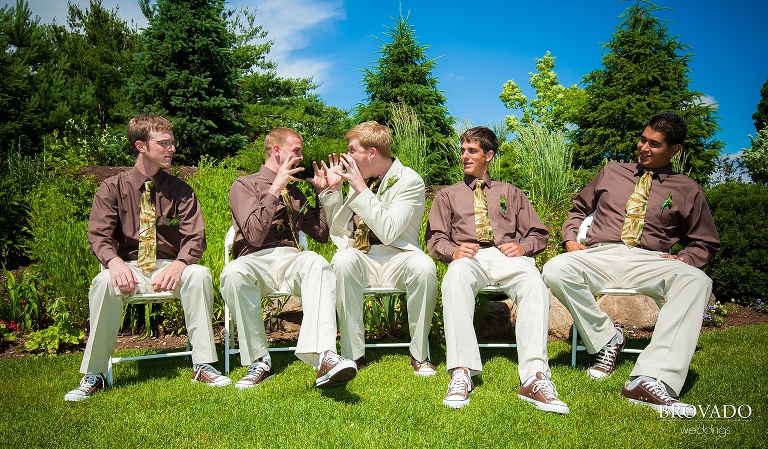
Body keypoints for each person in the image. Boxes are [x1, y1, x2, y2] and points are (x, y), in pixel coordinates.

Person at [542, 112, 720, 418]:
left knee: (697, 281)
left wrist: (684, 259)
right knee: (556, 269)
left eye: (655, 144)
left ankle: (651, 377)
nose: (644, 148)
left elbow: (705, 241)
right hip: (600, 253)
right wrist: (570, 239)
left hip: (649, 259)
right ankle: (607, 337)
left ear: (674, 150)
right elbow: (578, 208)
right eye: (642, 139)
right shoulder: (612, 172)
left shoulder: (687, 189)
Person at [65, 113, 228, 401]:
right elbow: (99, 236)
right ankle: (95, 373)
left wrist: (180, 264)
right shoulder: (112, 187)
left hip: (169, 267)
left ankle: (203, 364)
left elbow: (195, 237)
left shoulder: (180, 190)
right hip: (128, 267)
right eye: (164, 143)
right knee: (103, 283)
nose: (172, 148)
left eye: (173, 142)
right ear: (141, 146)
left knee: (199, 274)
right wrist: (113, 264)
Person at [426, 126, 569, 413]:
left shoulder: (510, 192)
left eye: (472, 150)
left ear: (488, 155)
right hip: (470, 256)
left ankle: (534, 377)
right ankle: (462, 371)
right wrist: (453, 251)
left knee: (533, 282)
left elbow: (538, 234)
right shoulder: (447, 195)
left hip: (508, 255)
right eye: (462, 150)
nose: (464, 155)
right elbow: (435, 239)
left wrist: (523, 247)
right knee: (455, 276)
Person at [220, 127, 357, 390]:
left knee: (317, 262)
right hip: (254, 258)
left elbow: (319, 234)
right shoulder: (244, 185)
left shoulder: (296, 191)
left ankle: (323, 357)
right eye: (296, 150)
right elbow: (254, 235)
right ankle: (259, 361)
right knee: (233, 273)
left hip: (290, 257)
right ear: (276, 151)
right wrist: (275, 188)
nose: (301, 156)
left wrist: (321, 194)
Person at [317, 121, 438, 375]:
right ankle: (353, 354)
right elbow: (339, 230)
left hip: (398, 256)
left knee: (424, 266)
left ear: (371, 153)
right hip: (363, 256)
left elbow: (389, 230)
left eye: (352, 150)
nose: (346, 156)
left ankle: (420, 355)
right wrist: (333, 191)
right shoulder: (358, 180)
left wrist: (359, 187)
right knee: (342, 261)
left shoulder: (409, 180)